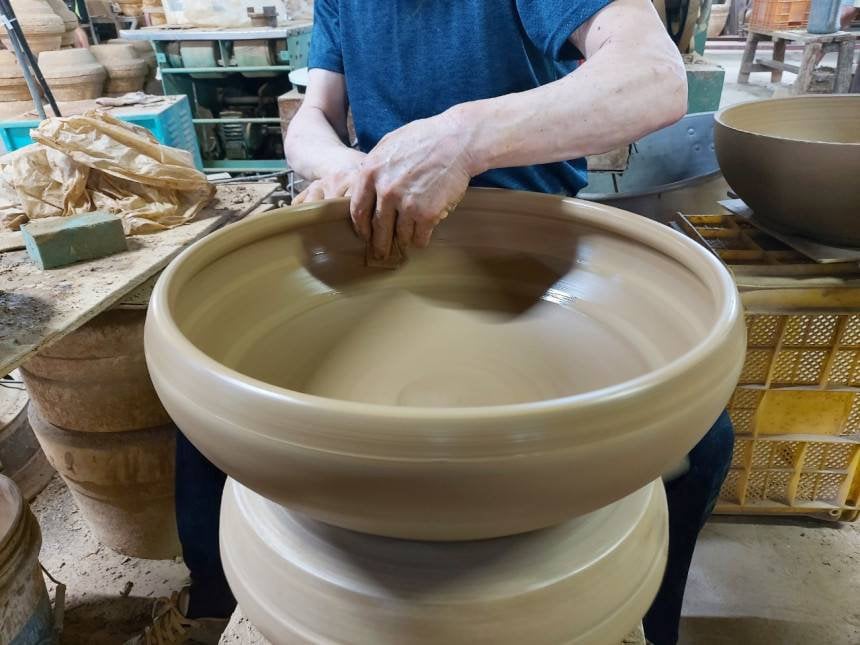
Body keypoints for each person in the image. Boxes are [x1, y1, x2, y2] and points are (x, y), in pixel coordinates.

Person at [130, 2, 734, 644]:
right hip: (384, 227)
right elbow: (312, 116)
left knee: (701, 440)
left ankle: (654, 624)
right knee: (211, 404)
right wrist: (343, 168)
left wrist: (462, 138)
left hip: (531, 244)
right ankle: (208, 606)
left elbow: (653, 76)